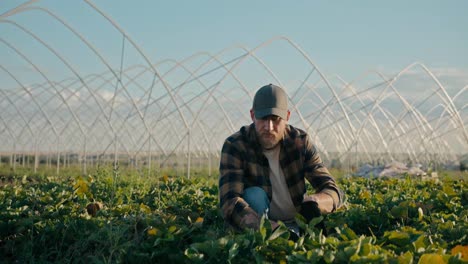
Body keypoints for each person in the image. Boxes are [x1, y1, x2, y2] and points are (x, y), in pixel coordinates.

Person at [218, 83, 345, 235]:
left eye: (275, 119)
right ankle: (261, 240)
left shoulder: (300, 142)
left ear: (287, 116)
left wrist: (314, 202)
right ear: (252, 115)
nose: (269, 127)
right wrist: (272, 229)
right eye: (263, 118)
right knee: (254, 195)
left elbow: (332, 189)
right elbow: (229, 202)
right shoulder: (236, 145)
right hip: (260, 224)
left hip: (296, 223)